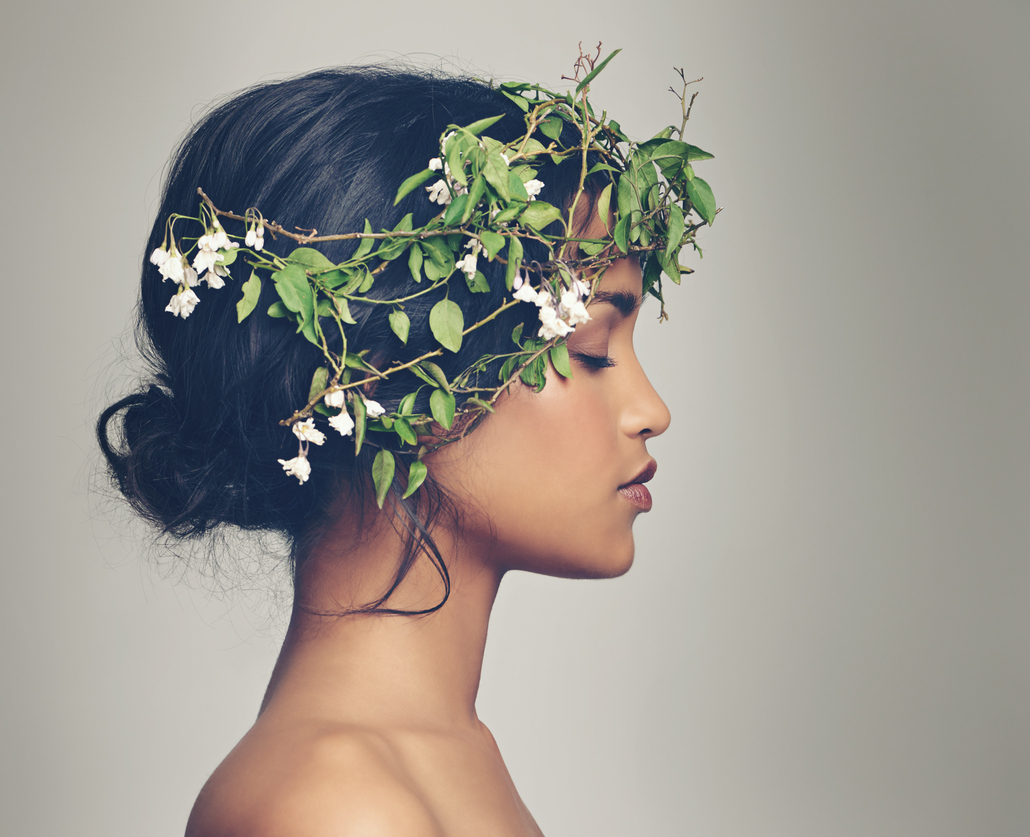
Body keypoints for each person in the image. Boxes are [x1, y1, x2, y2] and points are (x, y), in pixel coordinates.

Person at [99, 59, 706, 835]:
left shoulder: (449, 755)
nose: (650, 409)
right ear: (395, 378)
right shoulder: (331, 806)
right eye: (590, 350)